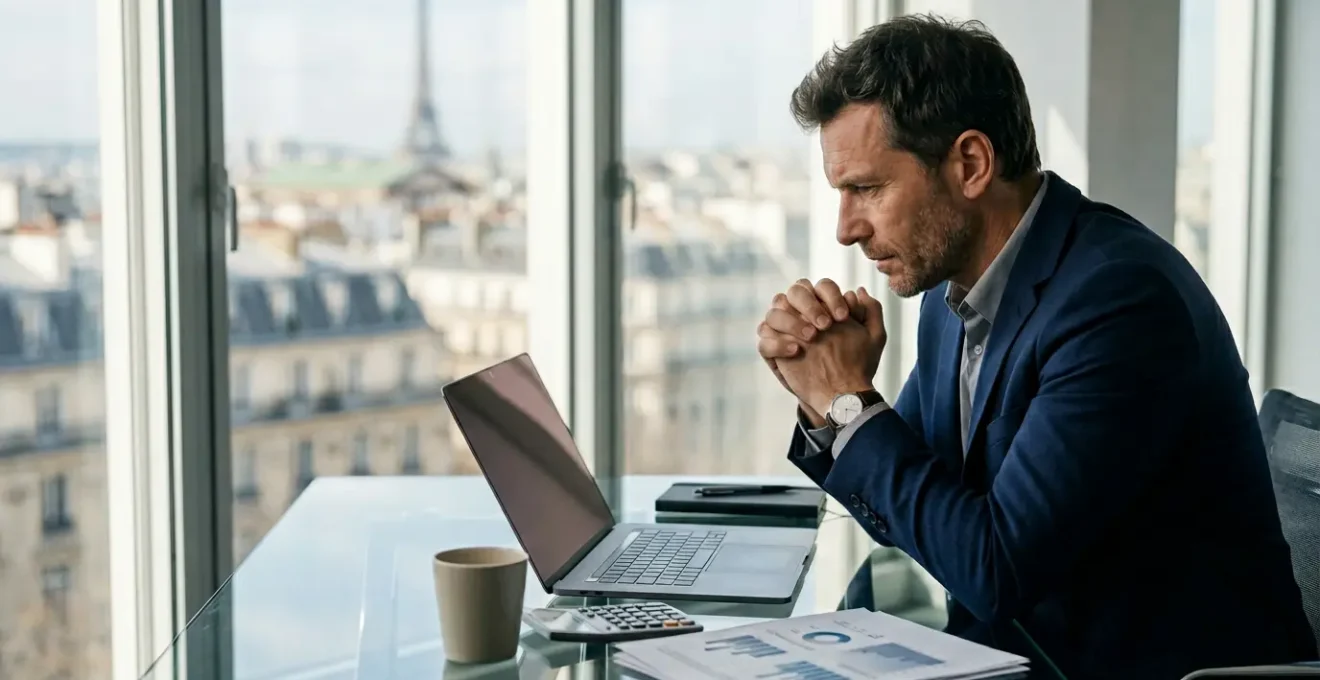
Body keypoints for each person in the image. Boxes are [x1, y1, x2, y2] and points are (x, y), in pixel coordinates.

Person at [757, 14, 1315, 680]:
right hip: (1009, 658)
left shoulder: (1118, 302)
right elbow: (908, 511)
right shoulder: (952, 296)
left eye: (867, 189)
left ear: (970, 164)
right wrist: (826, 398)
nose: (846, 229)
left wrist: (848, 400)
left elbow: (996, 571)